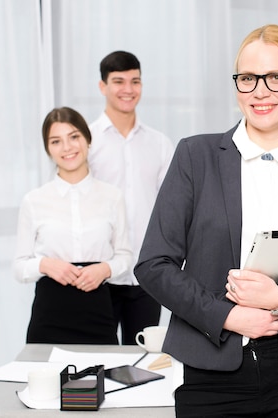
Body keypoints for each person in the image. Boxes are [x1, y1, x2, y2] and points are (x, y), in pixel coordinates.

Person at [134, 24, 278, 417]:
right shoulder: (196, 157)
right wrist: (228, 315)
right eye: (248, 78)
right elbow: (153, 265)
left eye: (276, 77)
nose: (261, 91)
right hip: (212, 377)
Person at [14, 107, 132, 344]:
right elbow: (19, 267)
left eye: (74, 137)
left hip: (97, 312)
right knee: (46, 380)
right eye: (56, 141)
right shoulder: (34, 200)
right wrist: (45, 264)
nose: (67, 147)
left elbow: (125, 256)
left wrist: (104, 269)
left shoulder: (112, 196)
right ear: (48, 149)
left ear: (88, 140)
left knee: (103, 380)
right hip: (49, 314)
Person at [89, 51, 175, 344]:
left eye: (135, 81)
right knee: (97, 360)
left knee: (143, 360)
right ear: (103, 86)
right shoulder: (86, 141)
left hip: (145, 273)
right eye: (118, 81)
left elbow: (171, 208)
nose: (128, 89)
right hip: (100, 273)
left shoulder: (160, 144)